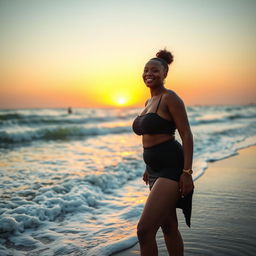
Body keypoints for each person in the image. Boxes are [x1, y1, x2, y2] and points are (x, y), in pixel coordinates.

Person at [132, 49, 194, 256]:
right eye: (146, 70)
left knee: (144, 231)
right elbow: (148, 139)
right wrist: (148, 167)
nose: (149, 73)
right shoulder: (147, 102)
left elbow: (186, 134)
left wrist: (187, 172)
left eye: (155, 70)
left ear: (165, 74)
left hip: (172, 168)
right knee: (168, 227)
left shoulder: (170, 98)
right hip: (154, 170)